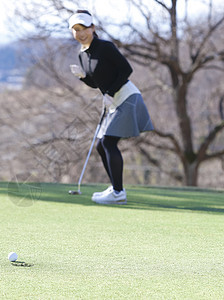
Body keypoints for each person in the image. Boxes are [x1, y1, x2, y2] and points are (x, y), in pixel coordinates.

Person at [68, 10, 154, 205]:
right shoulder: (82, 55)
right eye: (76, 30)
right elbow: (95, 83)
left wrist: (110, 92)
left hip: (127, 97)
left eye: (84, 29)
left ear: (93, 28)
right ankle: (116, 188)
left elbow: (126, 70)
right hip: (114, 101)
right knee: (101, 145)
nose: (80, 34)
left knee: (108, 142)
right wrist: (83, 77)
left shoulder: (105, 47)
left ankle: (118, 193)